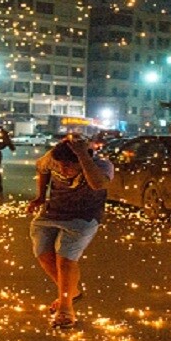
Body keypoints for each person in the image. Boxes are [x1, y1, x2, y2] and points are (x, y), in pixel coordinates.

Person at [26, 134, 114, 330]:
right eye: (61, 165)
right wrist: (40, 197)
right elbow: (43, 168)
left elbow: (98, 184)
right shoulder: (53, 157)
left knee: (65, 260)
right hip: (52, 212)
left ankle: (66, 310)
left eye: (69, 167)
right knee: (43, 255)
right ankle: (71, 291)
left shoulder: (102, 165)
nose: (63, 171)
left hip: (83, 217)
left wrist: (83, 156)